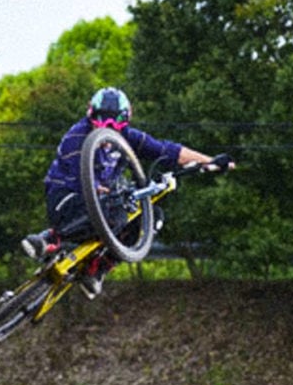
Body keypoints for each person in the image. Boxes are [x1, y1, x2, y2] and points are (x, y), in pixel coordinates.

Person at [21, 87, 233, 299]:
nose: (106, 135)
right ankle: (50, 238)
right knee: (115, 210)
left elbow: (168, 151)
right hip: (65, 200)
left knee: (151, 217)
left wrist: (210, 161)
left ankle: (97, 268)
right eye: (101, 127)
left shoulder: (128, 138)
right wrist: (101, 191)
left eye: (115, 129)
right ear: (91, 117)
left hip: (104, 209)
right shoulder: (76, 137)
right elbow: (79, 178)